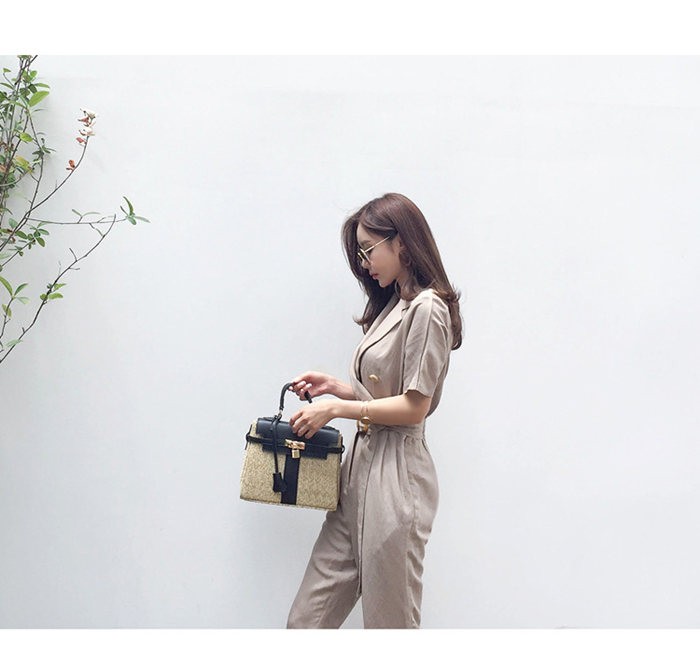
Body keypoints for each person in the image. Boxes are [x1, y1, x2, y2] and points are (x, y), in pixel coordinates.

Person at [285, 192, 463, 629]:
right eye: (360, 253)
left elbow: (414, 406)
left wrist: (337, 408)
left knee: (390, 629)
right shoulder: (394, 304)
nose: (365, 264)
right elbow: (387, 392)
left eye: (369, 250)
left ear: (401, 242)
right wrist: (337, 388)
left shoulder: (428, 308)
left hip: (397, 478)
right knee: (305, 623)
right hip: (358, 475)